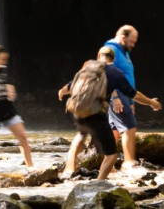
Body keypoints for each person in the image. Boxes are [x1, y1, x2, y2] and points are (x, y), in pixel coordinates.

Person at [58, 47, 140, 181]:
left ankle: (68, 170)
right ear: (113, 59)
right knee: (111, 154)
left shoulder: (88, 68)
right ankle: (99, 183)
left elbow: (70, 87)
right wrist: (151, 103)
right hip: (96, 115)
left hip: (78, 113)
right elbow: (132, 93)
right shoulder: (115, 72)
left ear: (98, 55)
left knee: (81, 134)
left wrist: (61, 92)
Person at [103, 25, 161, 169]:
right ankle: (128, 163)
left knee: (115, 130)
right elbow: (105, 73)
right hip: (117, 94)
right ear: (123, 37)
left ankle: (108, 167)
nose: (133, 44)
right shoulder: (111, 49)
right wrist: (115, 97)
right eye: (131, 41)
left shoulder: (124, 52)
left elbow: (128, 76)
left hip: (126, 95)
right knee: (129, 127)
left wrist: (132, 101)